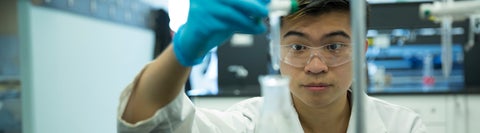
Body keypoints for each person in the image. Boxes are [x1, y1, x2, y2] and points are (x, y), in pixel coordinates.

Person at [117, 0, 427, 132]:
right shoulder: (248, 123)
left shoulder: (403, 126)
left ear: (361, 52)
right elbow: (148, 123)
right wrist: (183, 50)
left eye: (334, 46)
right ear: (276, 52)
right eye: (297, 47)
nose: (316, 65)